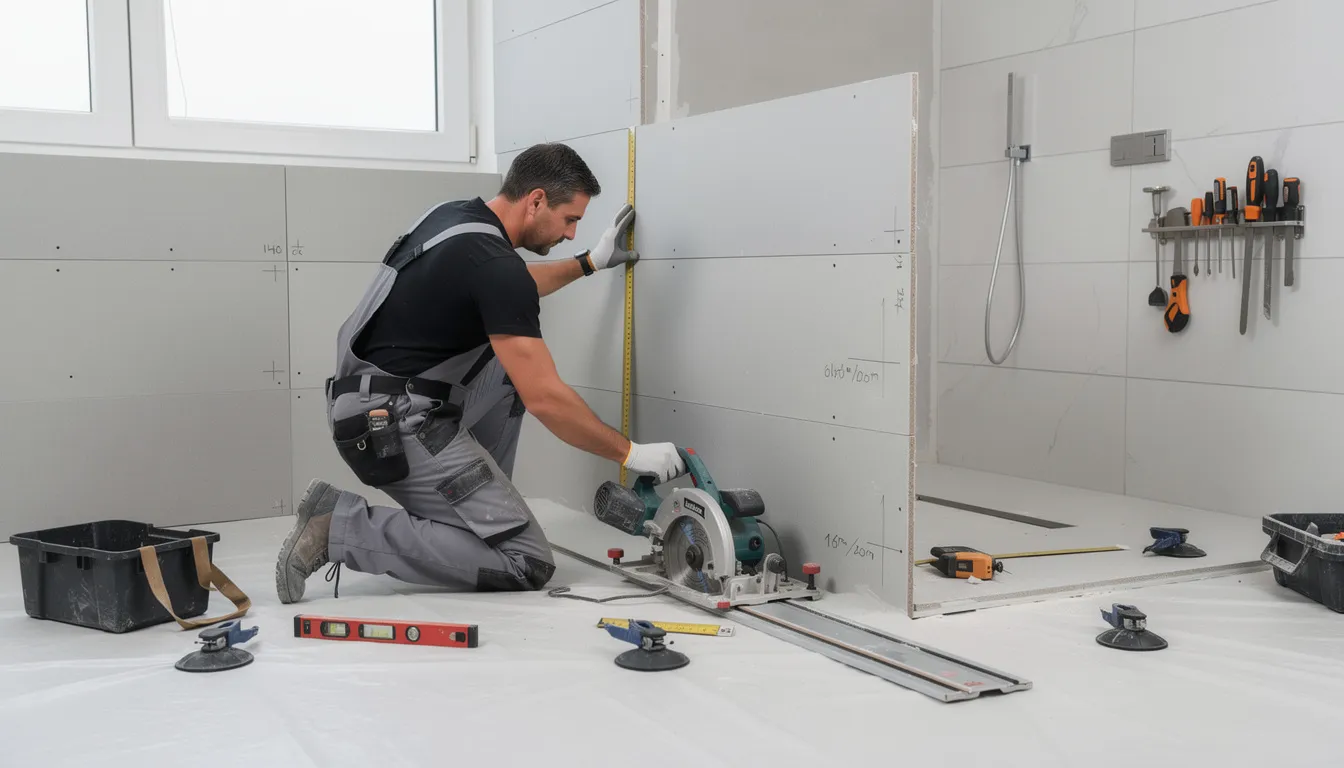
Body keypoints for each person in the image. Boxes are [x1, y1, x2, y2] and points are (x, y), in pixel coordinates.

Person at [275, 142, 687, 603]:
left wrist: (588, 263)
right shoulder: (495, 265)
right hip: (391, 424)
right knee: (526, 562)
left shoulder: (456, 220)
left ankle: (481, 510)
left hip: (372, 399)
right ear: (535, 201)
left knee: (508, 371)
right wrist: (630, 453)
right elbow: (546, 397)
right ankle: (337, 526)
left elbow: (512, 286)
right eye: (570, 220)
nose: (572, 234)